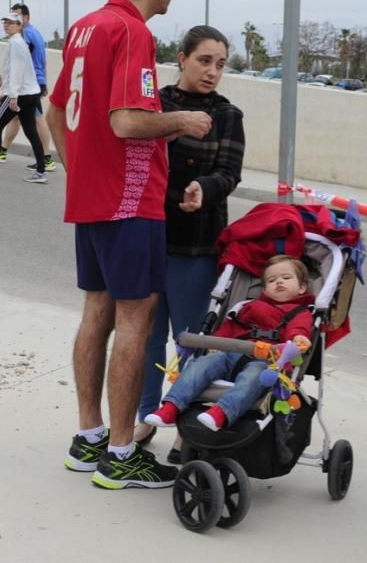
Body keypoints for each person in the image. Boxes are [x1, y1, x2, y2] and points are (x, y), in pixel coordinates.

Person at [46, 0, 213, 490]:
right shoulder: (132, 32)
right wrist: (182, 120)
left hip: (93, 199)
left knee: (96, 310)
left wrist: (80, 175)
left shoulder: (87, 26)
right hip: (130, 200)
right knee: (135, 319)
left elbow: (53, 110)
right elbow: (127, 121)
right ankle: (122, 452)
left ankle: (89, 436)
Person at [132, 25, 246, 450]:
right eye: (204, 61)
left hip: (198, 242)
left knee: (191, 340)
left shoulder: (228, 115)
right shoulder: (154, 106)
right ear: (181, 59)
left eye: (220, 64)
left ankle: (185, 422)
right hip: (148, 234)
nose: (212, 71)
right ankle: (145, 415)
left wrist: (205, 187)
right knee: (145, 335)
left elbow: (229, 172)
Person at [144, 255, 313, 432]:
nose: (279, 282)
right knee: (200, 364)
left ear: (302, 287)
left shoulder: (300, 313)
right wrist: (215, 342)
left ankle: (221, 413)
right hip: (229, 353)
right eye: (272, 280)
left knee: (253, 377)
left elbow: (298, 329)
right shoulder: (249, 306)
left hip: (266, 361)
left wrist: (298, 339)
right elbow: (229, 327)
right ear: (264, 289)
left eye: (286, 278)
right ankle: (171, 407)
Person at [0, 12, 47, 183]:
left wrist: (10, 96)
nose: (7, 25)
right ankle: (41, 172)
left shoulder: (16, 44)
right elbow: (13, 71)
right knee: (31, 132)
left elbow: (16, 72)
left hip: (20, 94)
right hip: (30, 93)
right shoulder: (18, 43)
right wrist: (5, 92)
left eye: (11, 22)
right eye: (5, 22)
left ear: (20, 26)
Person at [0, 3, 57, 171]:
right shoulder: (36, 34)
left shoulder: (23, 37)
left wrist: (6, 88)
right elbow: (40, 61)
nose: (9, 23)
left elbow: (18, 65)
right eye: (9, 18)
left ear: (25, 19)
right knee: (19, 119)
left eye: (16, 18)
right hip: (34, 83)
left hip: (25, 86)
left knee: (36, 121)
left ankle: (46, 158)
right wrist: (43, 82)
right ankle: (3, 150)